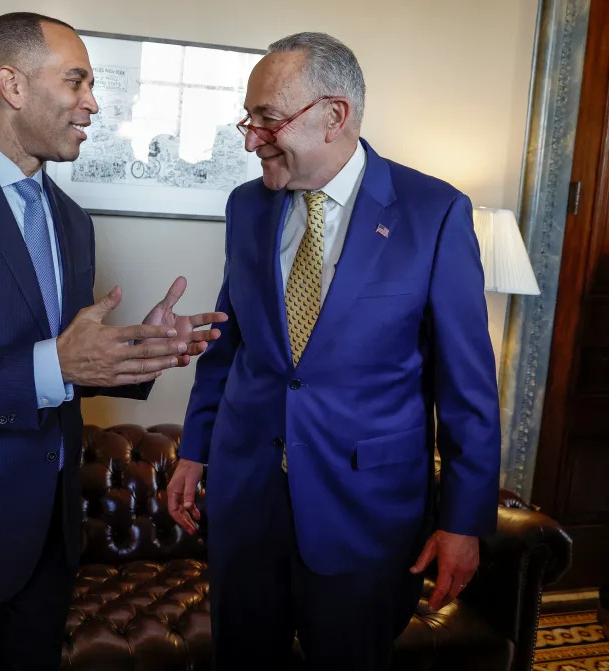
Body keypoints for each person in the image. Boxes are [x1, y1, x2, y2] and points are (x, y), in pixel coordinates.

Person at [0, 12, 226, 670]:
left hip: (50, 543)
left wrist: (137, 351)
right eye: (77, 80)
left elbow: (66, 368)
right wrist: (51, 362)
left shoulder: (72, 222)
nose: (93, 103)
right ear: (13, 85)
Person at [167, 32, 500, 670]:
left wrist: (463, 522)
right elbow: (228, 342)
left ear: (335, 116)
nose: (250, 137)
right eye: (249, 118)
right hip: (247, 505)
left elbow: (468, 389)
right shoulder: (247, 207)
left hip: (366, 515)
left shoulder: (434, 213)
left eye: (268, 119)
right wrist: (194, 450)